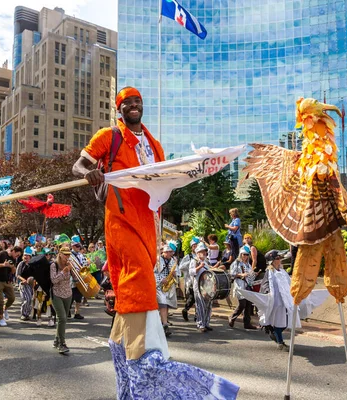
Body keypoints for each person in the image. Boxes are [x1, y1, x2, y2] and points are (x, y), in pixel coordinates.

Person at [73, 87, 238, 399]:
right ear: (119, 108)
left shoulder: (156, 146)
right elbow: (78, 166)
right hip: (121, 218)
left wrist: (199, 163)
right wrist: (91, 173)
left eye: (138, 102)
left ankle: (123, 351)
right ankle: (146, 353)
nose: (134, 106)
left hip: (149, 223)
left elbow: (167, 182)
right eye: (127, 103)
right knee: (137, 277)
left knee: (138, 278)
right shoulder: (108, 136)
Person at [0, 246, 22, 327]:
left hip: (7, 281)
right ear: (13, 251)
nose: (17, 257)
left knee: (12, 298)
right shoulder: (2, 254)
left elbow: (13, 271)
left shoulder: (13, 259)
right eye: (17, 255)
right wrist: (3, 265)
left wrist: (12, 267)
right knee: (0, 301)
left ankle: (5, 309)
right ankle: (1, 318)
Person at [50, 245, 73, 354]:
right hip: (56, 294)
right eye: (65, 255)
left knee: (63, 319)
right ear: (60, 254)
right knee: (62, 318)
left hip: (68, 293)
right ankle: (62, 344)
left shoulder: (69, 264)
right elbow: (54, 280)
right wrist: (64, 271)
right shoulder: (53, 265)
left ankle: (56, 340)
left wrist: (73, 270)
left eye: (69, 254)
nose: (67, 257)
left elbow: (77, 279)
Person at [228, 248, 258, 330]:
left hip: (247, 285)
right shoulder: (236, 263)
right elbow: (231, 273)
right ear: (240, 254)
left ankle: (247, 323)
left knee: (248, 304)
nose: (245, 256)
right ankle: (232, 317)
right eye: (244, 254)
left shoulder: (248, 264)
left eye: (247, 254)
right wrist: (241, 274)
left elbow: (249, 275)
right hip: (239, 285)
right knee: (242, 304)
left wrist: (253, 274)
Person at [190, 242, 213, 333]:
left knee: (208, 306)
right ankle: (200, 324)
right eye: (202, 251)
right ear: (197, 252)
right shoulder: (194, 261)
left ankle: (206, 323)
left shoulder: (206, 261)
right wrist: (199, 267)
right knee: (200, 306)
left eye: (205, 251)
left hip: (207, 287)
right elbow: (191, 272)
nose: (204, 253)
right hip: (199, 286)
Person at [155, 245, 178, 337]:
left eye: (170, 252)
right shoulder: (157, 260)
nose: (169, 253)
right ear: (163, 252)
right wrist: (161, 279)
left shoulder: (172, 260)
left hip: (168, 286)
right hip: (159, 286)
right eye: (167, 252)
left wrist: (174, 274)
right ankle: (164, 325)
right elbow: (153, 272)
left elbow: (176, 270)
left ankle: (163, 323)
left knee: (165, 305)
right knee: (162, 304)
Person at [180, 237, 199, 321]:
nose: (195, 247)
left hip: (200, 281)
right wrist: (191, 261)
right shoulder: (188, 256)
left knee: (199, 298)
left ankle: (197, 316)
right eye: (194, 246)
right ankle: (185, 310)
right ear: (192, 247)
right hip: (190, 281)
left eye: (197, 245)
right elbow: (181, 267)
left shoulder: (201, 255)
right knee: (192, 298)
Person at [16, 248, 34, 321]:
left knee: (30, 300)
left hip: (31, 284)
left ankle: (27, 314)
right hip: (23, 284)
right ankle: (24, 314)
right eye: (24, 255)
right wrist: (23, 280)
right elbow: (17, 274)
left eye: (27, 255)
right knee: (26, 299)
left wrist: (32, 279)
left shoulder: (33, 264)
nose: (25, 257)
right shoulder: (21, 264)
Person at [70, 241, 86, 319]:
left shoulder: (81, 255)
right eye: (76, 246)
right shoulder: (69, 255)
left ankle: (77, 312)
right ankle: (67, 311)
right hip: (71, 278)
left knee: (79, 295)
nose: (78, 247)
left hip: (80, 277)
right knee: (71, 296)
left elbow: (84, 263)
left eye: (79, 246)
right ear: (72, 246)